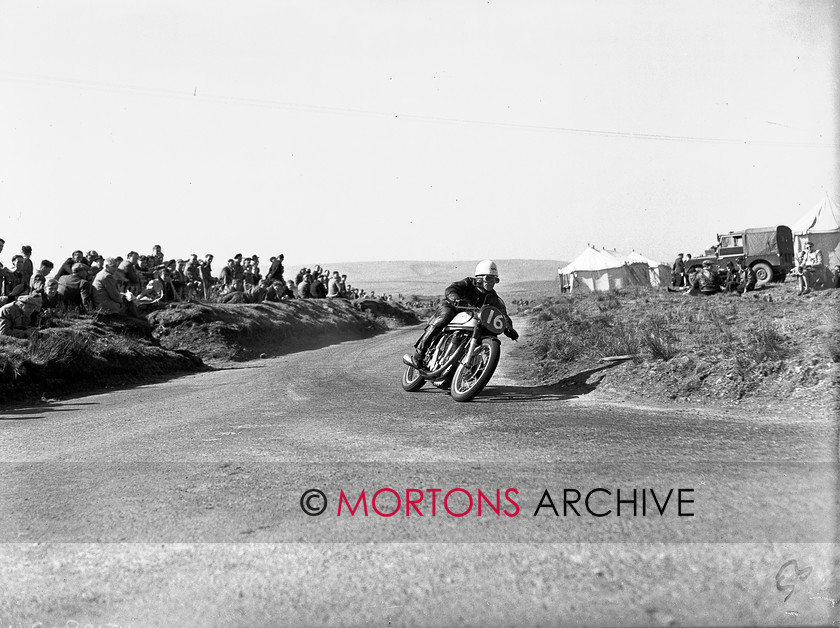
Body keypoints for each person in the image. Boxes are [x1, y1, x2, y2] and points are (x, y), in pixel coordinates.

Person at [409, 259, 519, 368]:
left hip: (472, 317)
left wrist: (509, 327)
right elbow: (451, 289)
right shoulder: (468, 283)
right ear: (479, 278)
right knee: (445, 315)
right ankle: (420, 351)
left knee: (487, 331)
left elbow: (502, 314)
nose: (492, 283)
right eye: (488, 278)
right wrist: (455, 298)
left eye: (495, 280)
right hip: (452, 306)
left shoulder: (493, 298)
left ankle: (477, 367)